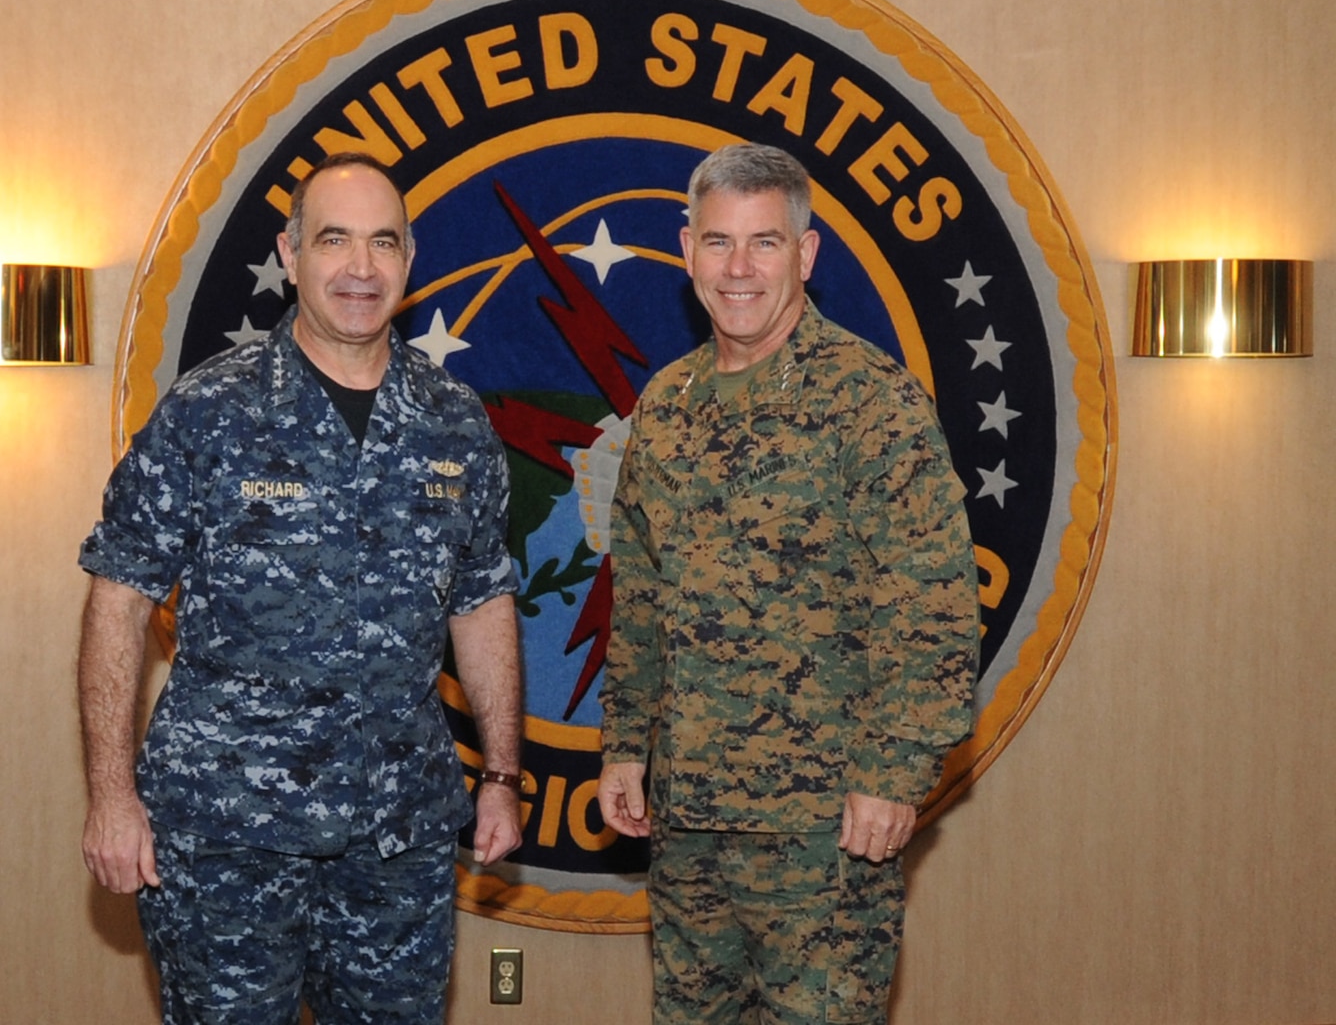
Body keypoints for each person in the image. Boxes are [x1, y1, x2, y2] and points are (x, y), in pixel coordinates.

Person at [77, 152, 523, 1024]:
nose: (361, 268)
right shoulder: (210, 412)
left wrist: (502, 773)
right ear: (290, 253)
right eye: (334, 241)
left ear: (410, 256)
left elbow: (483, 600)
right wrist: (111, 797)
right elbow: (119, 598)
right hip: (224, 837)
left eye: (382, 243)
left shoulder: (457, 424)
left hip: (398, 839)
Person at [597, 143, 978, 1025]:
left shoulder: (872, 403)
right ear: (686, 249)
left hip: (825, 831)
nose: (739, 269)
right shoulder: (666, 405)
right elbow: (644, 595)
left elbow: (933, 606)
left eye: (765, 243)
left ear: (805, 256)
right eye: (720, 243)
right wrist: (624, 744)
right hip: (690, 820)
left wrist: (894, 773)